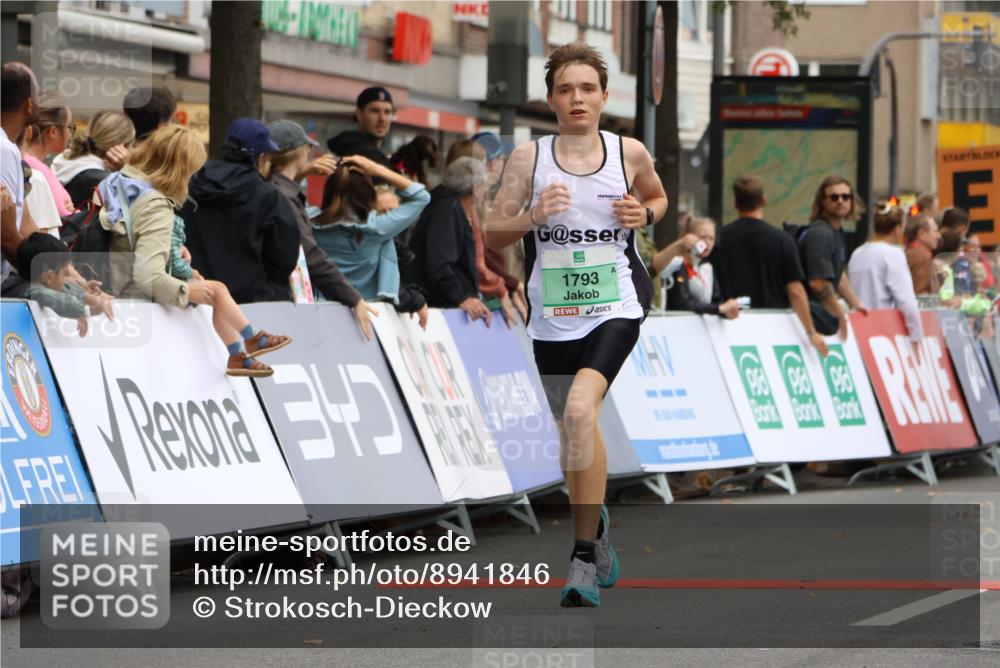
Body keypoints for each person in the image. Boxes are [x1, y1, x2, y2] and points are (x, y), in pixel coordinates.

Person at [485, 43, 668, 608]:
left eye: (587, 88)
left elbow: (659, 197)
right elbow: (494, 235)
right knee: (574, 432)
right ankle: (597, 523)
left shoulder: (628, 152)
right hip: (552, 314)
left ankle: (582, 559)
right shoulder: (528, 160)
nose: (577, 98)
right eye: (566, 89)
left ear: (604, 96)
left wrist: (647, 214)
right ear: (551, 99)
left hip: (617, 301)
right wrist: (533, 216)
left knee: (583, 410)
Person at [99, 124, 292, 377]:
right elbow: (148, 276)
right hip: (137, 301)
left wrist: (170, 247)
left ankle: (241, 350)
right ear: (181, 169)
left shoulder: (121, 182)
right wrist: (187, 290)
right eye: (191, 171)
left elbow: (129, 236)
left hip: (118, 292)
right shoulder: (156, 205)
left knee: (214, 291)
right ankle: (248, 342)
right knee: (213, 291)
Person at [265, 119, 378, 339]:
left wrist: (302, 172)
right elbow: (309, 254)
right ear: (300, 152)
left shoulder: (272, 189)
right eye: (307, 148)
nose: (309, 153)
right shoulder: (282, 197)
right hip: (282, 306)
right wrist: (353, 298)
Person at [181, 118, 301, 303]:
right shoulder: (267, 196)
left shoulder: (191, 184)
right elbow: (285, 256)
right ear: (261, 158)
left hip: (195, 299)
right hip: (250, 305)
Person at [714, 176, 828, 356]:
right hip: (773, 329)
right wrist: (811, 332)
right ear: (763, 201)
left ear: (736, 203)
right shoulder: (782, 240)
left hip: (727, 328)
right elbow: (795, 290)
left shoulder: (718, 238)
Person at [311, 154, 431, 325]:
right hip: (368, 315)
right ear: (368, 193)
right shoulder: (378, 227)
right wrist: (376, 169)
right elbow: (422, 197)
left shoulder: (309, 222)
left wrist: (306, 170)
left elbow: (284, 194)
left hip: (320, 311)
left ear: (329, 189)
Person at [407, 156, 494, 325]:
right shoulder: (447, 210)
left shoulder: (447, 207)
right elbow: (440, 263)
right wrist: (461, 299)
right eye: (484, 187)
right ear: (476, 189)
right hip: (435, 311)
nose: (485, 192)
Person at [798, 176, 868, 338]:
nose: (840, 201)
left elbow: (837, 273)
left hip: (816, 317)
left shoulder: (835, 231)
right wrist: (839, 315)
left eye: (846, 196)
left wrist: (855, 304)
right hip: (808, 320)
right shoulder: (821, 234)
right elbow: (819, 283)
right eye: (834, 197)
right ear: (822, 201)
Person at [847, 200, 923, 348]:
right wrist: (916, 335)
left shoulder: (857, 253)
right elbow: (906, 300)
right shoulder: (893, 254)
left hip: (858, 330)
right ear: (897, 229)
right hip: (883, 332)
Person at [16, 232, 114, 337]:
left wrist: (93, 300)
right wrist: (84, 311)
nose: (68, 279)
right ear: (49, 277)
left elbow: (64, 289)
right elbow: (54, 298)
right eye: (64, 274)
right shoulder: (31, 292)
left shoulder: (37, 284)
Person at [1, 62, 40, 286]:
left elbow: (23, 225)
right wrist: (58, 283)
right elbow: (6, 238)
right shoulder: (4, 150)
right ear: (28, 104)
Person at [52, 110, 134, 209]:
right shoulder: (106, 183)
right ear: (122, 146)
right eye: (131, 145)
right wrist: (128, 170)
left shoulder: (63, 160)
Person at [663, 217, 739, 318]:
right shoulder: (677, 264)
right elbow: (682, 303)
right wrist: (719, 309)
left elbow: (716, 301)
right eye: (703, 237)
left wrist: (727, 311)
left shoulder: (706, 267)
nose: (708, 243)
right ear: (689, 237)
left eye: (712, 238)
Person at [21, 92, 74, 217]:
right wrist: (73, 211)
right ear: (53, 131)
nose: (70, 134)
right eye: (70, 127)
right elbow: (63, 214)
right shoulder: (36, 167)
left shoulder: (27, 160)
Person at [327, 86, 394, 168]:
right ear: (359, 114)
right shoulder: (360, 154)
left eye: (387, 112)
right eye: (375, 111)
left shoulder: (354, 148)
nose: (382, 118)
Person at [904, 213, 941, 294]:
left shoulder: (909, 253)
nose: (938, 236)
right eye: (935, 231)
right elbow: (921, 296)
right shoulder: (922, 256)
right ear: (922, 234)